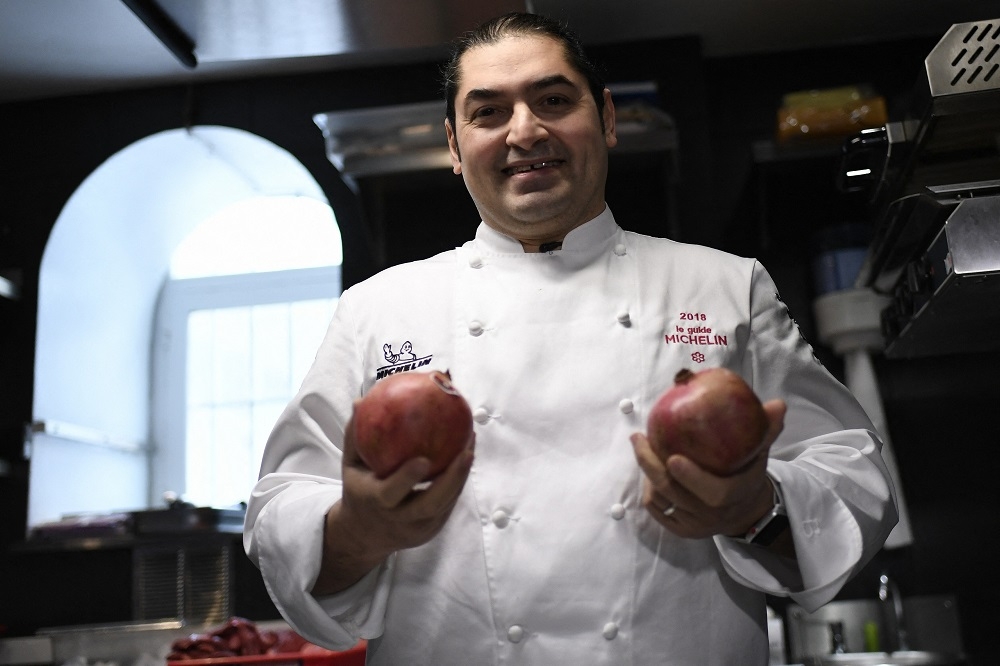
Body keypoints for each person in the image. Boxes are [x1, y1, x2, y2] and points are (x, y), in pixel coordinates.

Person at [244, 12, 898, 665]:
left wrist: (757, 509)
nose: (524, 130)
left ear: (606, 119)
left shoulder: (724, 288)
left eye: (553, 100)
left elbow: (854, 473)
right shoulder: (376, 310)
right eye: (488, 112)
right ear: (453, 144)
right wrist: (358, 531)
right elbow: (282, 508)